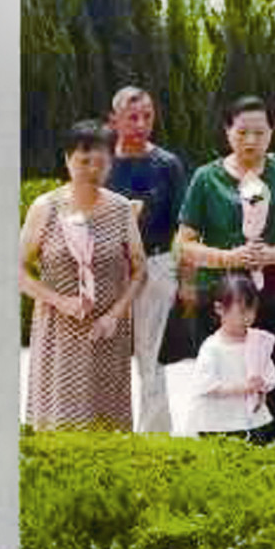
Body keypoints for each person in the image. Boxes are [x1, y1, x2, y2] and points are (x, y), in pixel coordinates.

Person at [174, 97, 275, 444]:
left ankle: (273, 442)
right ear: (227, 131)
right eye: (242, 131)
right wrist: (229, 257)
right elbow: (184, 245)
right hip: (221, 297)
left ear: (271, 133)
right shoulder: (207, 178)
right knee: (222, 378)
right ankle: (219, 445)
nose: (251, 140)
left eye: (260, 132)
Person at [20, 120, 147, 434]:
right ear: (67, 160)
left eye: (101, 162)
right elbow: (15, 269)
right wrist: (59, 301)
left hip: (107, 333)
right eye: (83, 161)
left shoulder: (120, 209)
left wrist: (115, 315)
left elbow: (139, 270)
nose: (92, 169)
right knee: (59, 420)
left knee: (106, 422)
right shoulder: (45, 208)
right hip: (58, 334)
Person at [105, 86, 189, 436]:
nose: (141, 124)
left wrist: (186, 280)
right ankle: (106, 430)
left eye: (148, 116)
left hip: (155, 268)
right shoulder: (102, 162)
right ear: (114, 120)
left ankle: (154, 435)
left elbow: (184, 229)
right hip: (108, 270)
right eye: (132, 117)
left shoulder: (167, 165)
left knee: (151, 358)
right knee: (106, 356)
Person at [189, 274, 275, 442]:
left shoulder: (257, 341)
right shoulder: (212, 346)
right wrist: (242, 388)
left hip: (249, 419)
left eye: (252, 311)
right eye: (242, 311)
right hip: (217, 421)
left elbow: (265, 375)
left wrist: (261, 391)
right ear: (219, 309)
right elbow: (206, 385)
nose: (248, 317)